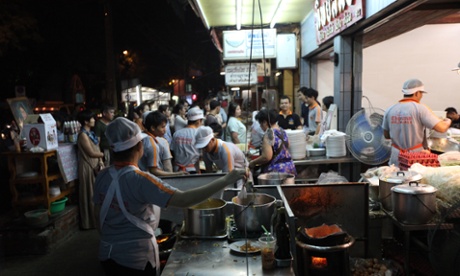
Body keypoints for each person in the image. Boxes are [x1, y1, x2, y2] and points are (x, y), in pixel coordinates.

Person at [93, 117, 246, 275]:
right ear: (139, 147)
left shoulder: (102, 176)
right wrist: (226, 179)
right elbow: (184, 199)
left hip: (107, 254)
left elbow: (97, 215)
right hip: (136, 260)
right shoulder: (141, 180)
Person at [383, 78, 451, 166]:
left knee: (395, 177)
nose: (421, 96)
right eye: (421, 93)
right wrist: (448, 121)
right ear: (417, 93)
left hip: (396, 157)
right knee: (414, 178)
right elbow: (442, 128)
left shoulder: (390, 110)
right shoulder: (420, 109)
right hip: (414, 157)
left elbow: (386, 135)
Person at [76, 109, 104, 230]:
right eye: (92, 118)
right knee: (89, 194)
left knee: (95, 194)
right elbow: (91, 153)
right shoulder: (82, 135)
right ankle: (89, 223)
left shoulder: (90, 133)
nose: (94, 120)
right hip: (87, 167)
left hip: (95, 165)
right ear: (86, 121)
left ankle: (96, 220)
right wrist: (103, 154)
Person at [248, 109, 297, 175]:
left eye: (260, 123)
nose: (260, 126)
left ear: (265, 122)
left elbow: (266, 157)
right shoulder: (282, 131)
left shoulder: (268, 134)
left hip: (276, 172)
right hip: (290, 168)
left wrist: (253, 162)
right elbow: (288, 145)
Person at [140, 111, 186, 176]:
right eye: (162, 127)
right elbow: (154, 170)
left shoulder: (142, 138)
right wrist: (176, 174)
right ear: (153, 128)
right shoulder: (152, 145)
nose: (165, 130)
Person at [171, 106, 203, 173]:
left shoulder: (176, 134)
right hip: (192, 171)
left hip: (177, 171)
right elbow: (201, 155)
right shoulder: (199, 135)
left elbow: (172, 153)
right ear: (198, 121)